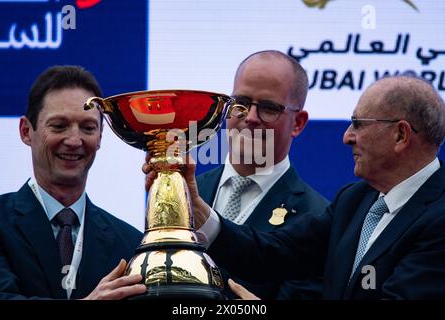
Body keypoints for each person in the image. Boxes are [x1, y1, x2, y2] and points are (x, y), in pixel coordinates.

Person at [146, 75, 445, 299]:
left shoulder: (439, 220)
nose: (347, 137)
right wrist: (198, 211)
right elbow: (276, 253)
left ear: (400, 136)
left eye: (358, 124)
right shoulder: (355, 201)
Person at [0, 66, 146, 300]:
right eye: (59, 126)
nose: (75, 140)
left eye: (88, 128)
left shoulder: (130, 243)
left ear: (100, 138)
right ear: (26, 131)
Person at [196, 50, 328, 299]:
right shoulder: (187, 194)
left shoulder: (318, 218)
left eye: (269, 108)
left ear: (298, 123)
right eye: (242, 103)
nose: (251, 118)